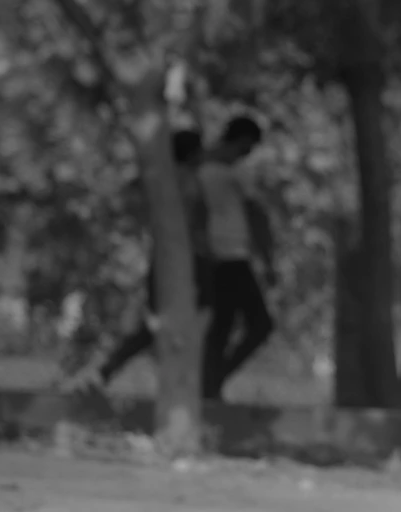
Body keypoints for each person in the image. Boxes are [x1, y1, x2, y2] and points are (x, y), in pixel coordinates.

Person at [66, 128, 212, 390]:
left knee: (156, 326)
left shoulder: (163, 180)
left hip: (164, 258)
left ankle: (106, 371)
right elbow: (195, 225)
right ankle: (181, 385)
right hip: (185, 261)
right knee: (184, 323)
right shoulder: (188, 180)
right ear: (193, 153)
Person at [197, 115, 275, 401]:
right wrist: (268, 259)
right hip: (232, 256)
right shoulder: (236, 171)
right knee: (260, 324)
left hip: (212, 256)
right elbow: (257, 216)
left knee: (221, 327)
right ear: (243, 141)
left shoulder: (199, 166)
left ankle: (211, 387)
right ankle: (213, 381)